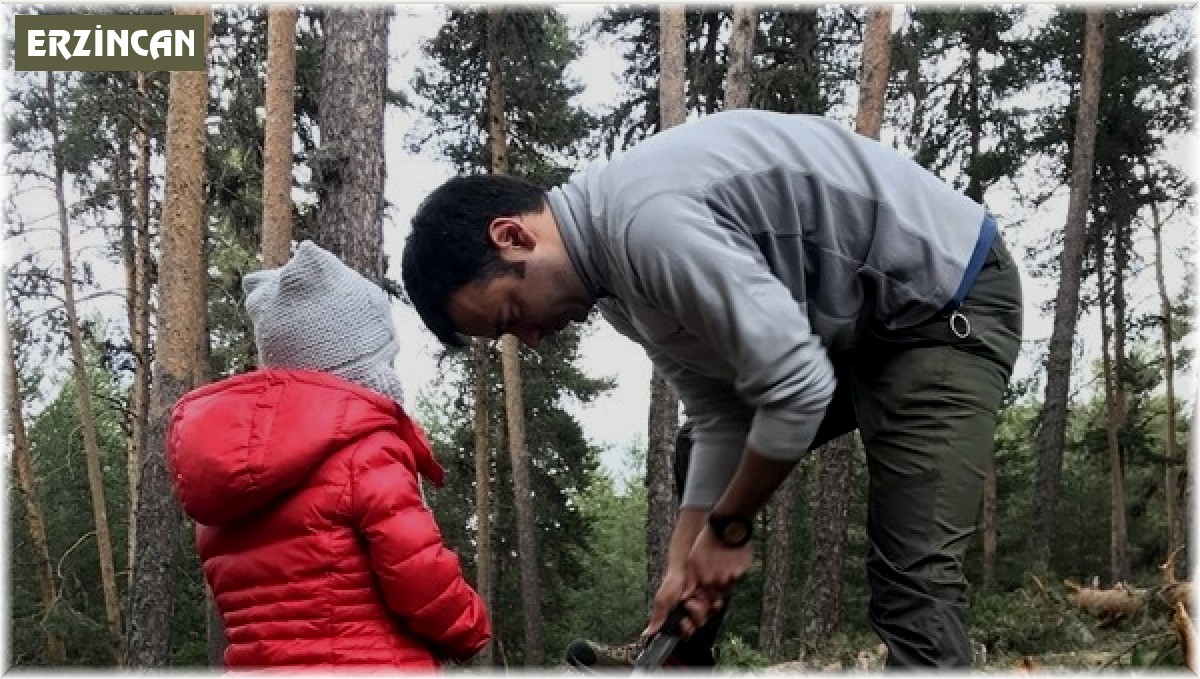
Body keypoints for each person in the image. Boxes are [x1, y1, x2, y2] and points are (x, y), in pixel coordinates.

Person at [402, 110, 1023, 667]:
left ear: (513, 236)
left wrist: (728, 530)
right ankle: (675, 654)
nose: (532, 340)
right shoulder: (616, 290)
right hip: (853, 327)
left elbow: (798, 386)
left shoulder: (649, 226)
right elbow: (721, 413)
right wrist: (685, 555)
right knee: (696, 449)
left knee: (913, 577)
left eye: (512, 316)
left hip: (941, 303)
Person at [170, 241, 491, 670]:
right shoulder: (367, 452)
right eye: (386, 358)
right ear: (354, 366)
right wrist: (471, 628)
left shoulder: (227, 472)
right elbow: (420, 578)